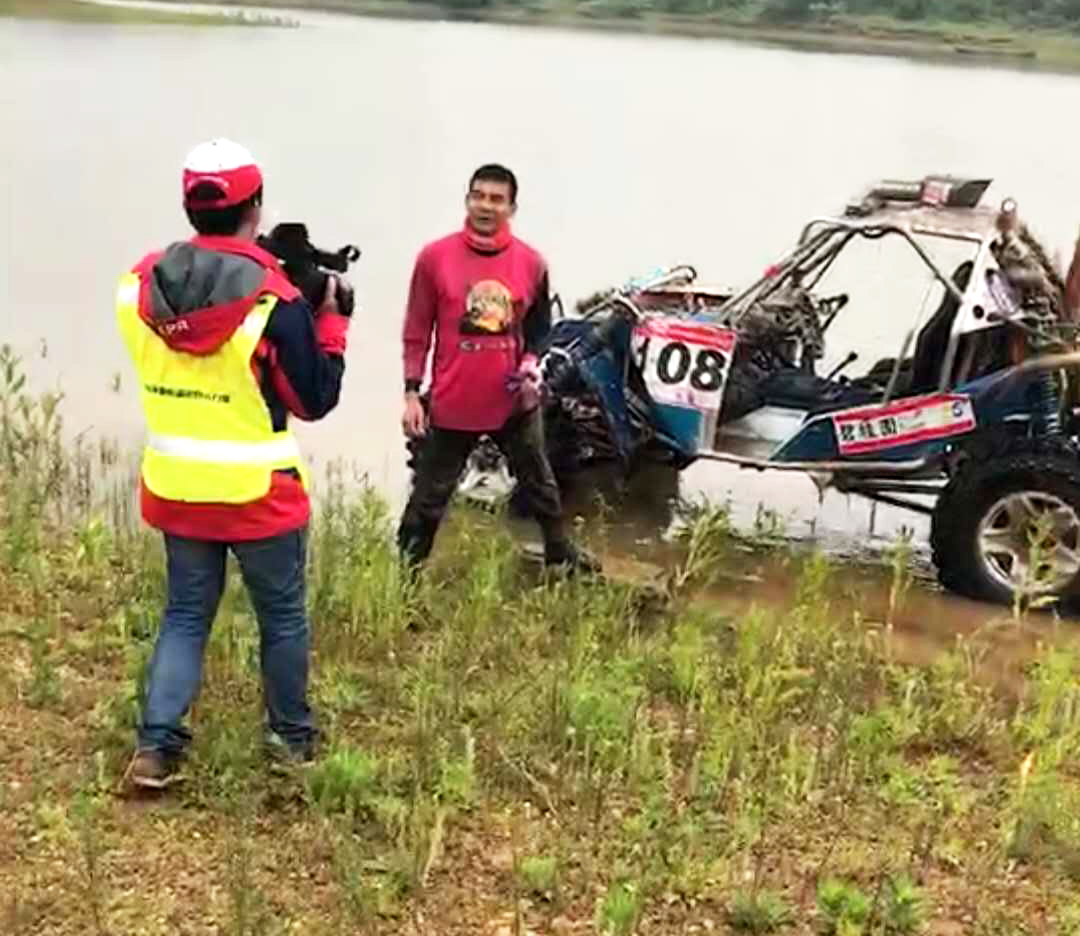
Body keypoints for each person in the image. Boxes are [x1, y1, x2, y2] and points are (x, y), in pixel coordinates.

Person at [116, 139, 351, 789]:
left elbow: (187, 322)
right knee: (281, 617)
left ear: (190, 205)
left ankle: (156, 747)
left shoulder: (138, 285)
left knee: (186, 615)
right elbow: (314, 398)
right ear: (256, 206)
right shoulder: (276, 300)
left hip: (176, 486)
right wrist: (330, 324)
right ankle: (290, 742)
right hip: (257, 495)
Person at [397, 163, 596, 573]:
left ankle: (560, 554)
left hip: (513, 401)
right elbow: (417, 329)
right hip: (453, 401)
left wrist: (530, 363)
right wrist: (412, 392)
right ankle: (405, 580)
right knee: (428, 499)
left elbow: (541, 329)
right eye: (478, 197)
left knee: (541, 484)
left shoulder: (531, 263)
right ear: (467, 200)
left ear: (512, 207)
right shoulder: (434, 258)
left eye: (496, 199)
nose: (485, 206)